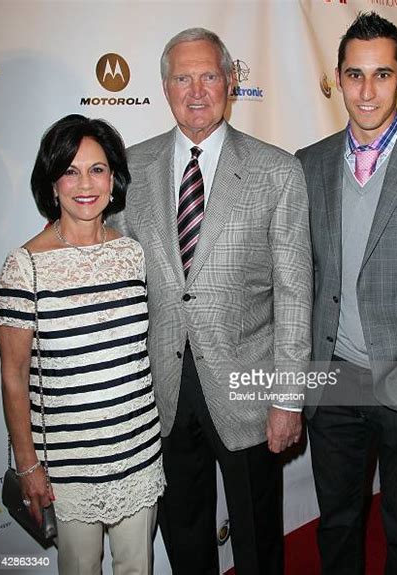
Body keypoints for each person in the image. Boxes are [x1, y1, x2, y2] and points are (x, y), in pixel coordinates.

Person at [110, 27, 312, 575]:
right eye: (182, 77)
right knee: (184, 536)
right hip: (158, 394)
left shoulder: (277, 171)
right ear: (164, 87)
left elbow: (295, 294)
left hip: (250, 390)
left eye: (208, 75)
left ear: (230, 80)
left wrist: (289, 399)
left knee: (257, 538)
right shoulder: (128, 170)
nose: (195, 90)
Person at [296, 12, 397, 575]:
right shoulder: (309, 164)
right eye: (355, 75)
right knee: (337, 526)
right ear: (338, 78)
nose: (367, 91)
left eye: (382, 75)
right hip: (334, 379)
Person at [0, 114, 165, 575]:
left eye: (97, 169)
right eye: (70, 170)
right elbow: (13, 375)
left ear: (113, 179)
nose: (84, 183)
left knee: (137, 569)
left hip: (138, 451)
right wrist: (29, 467)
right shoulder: (23, 267)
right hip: (66, 470)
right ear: (52, 183)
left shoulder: (132, 254)